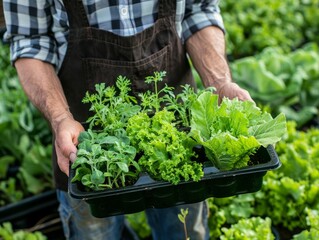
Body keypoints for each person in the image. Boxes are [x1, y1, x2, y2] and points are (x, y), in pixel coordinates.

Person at [3, 1, 253, 239]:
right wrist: (60, 118)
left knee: (185, 230)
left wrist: (219, 82)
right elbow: (30, 39)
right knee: (94, 232)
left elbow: (199, 10)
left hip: (177, 125)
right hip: (86, 138)